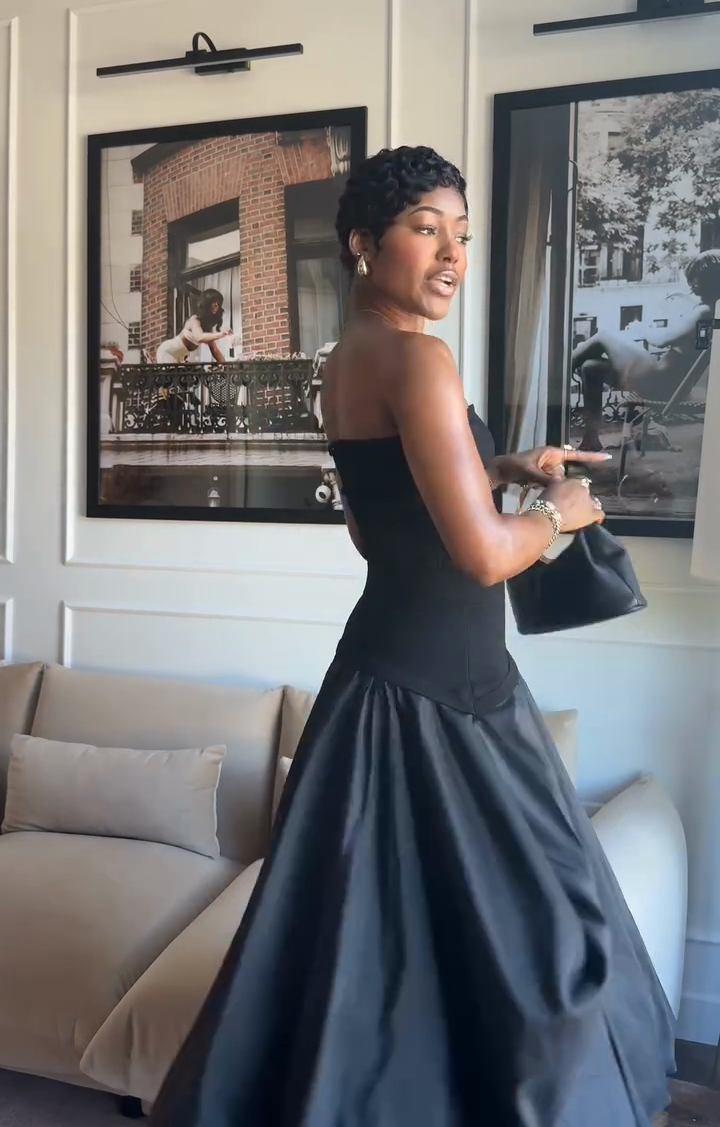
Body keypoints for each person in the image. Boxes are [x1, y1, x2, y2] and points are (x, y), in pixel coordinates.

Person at [150, 148, 674, 1127]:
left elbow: (375, 525)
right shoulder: (420, 359)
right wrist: (557, 510)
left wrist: (496, 466)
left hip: (382, 680)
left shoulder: (346, 358)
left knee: (373, 965)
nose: (451, 254)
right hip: (450, 695)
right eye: (426, 229)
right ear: (365, 242)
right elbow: (481, 555)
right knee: (546, 948)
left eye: (461, 235)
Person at [572, 249, 720, 451]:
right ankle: (591, 439)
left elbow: (660, 340)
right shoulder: (711, 311)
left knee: (603, 336)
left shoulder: (704, 312)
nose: (692, 284)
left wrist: (639, 326)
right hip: (668, 383)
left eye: (696, 278)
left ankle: (555, 376)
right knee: (591, 368)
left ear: (709, 280)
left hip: (657, 380)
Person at [155, 289, 234, 365]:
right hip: (168, 351)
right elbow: (199, 337)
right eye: (213, 302)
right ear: (207, 303)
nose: (216, 305)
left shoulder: (207, 327)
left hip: (179, 357)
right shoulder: (194, 319)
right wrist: (221, 334)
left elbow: (215, 351)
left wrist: (226, 367)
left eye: (218, 303)